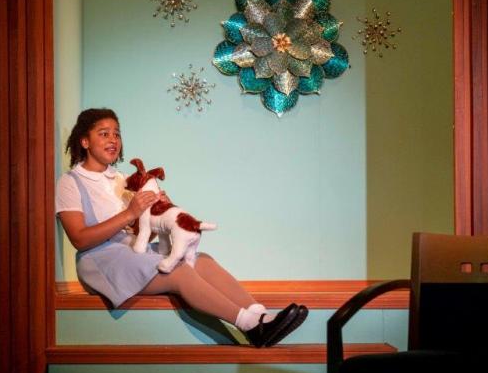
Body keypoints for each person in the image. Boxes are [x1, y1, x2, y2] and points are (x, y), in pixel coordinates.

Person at [55, 108, 308, 347]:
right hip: (100, 260)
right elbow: (79, 239)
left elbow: (142, 233)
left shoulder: (120, 180)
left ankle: (260, 316)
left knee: (201, 259)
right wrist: (131, 212)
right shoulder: (70, 182)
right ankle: (249, 325)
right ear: (84, 141)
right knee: (179, 271)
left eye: (117, 133)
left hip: (129, 250)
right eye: (104, 133)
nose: (113, 139)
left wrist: (156, 213)